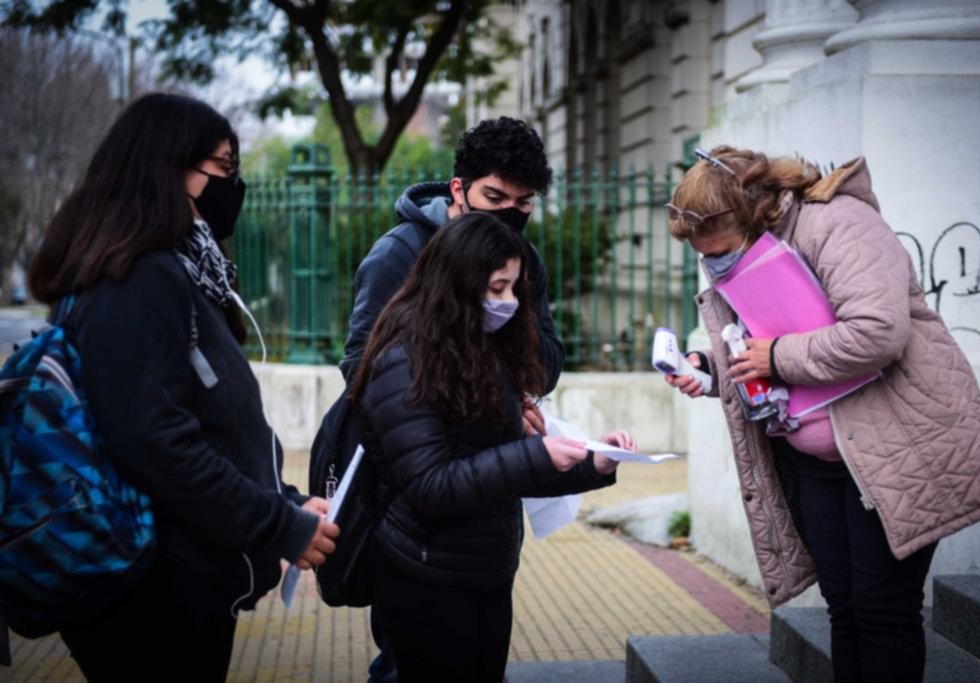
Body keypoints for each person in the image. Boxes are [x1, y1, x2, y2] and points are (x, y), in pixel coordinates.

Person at [664, 146, 980, 683]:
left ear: (755, 212)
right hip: (816, 462)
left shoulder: (840, 224)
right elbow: (761, 340)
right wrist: (711, 369)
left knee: (882, 611)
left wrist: (777, 358)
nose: (717, 266)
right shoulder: (756, 245)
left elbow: (876, 332)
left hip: (890, 452)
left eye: (722, 251)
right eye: (706, 257)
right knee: (844, 609)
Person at [27, 93, 340, 681]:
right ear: (170, 167)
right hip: (150, 590)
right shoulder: (137, 279)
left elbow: (215, 421)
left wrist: (286, 501)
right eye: (224, 167)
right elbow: (156, 442)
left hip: (177, 574)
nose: (234, 185)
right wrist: (278, 526)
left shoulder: (173, 270)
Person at [349, 212, 630, 682]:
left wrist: (595, 462)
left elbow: (501, 469)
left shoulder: (478, 347)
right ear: (456, 284)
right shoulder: (401, 362)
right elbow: (431, 486)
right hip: (428, 579)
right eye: (496, 288)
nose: (508, 303)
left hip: (488, 571)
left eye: (513, 289)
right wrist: (535, 454)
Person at [337, 117, 562, 680]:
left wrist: (512, 387)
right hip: (413, 507)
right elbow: (361, 368)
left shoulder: (523, 259)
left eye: (523, 202)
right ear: (458, 189)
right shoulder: (400, 253)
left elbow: (546, 357)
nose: (510, 212)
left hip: (488, 507)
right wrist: (454, 402)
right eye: (495, 196)